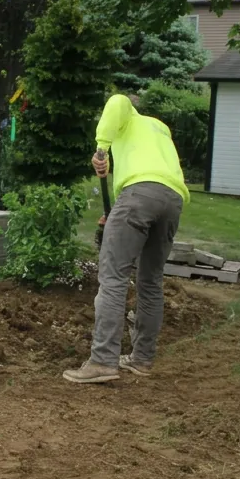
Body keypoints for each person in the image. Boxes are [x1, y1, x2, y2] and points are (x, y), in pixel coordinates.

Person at [64, 93, 190, 384]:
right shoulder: (158, 129)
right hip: (172, 199)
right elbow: (149, 174)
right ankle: (142, 359)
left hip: (139, 192)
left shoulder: (126, 114)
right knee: (150, 280)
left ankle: (103, 361)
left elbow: (118, 100)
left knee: (113, 278)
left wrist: (101, 149)